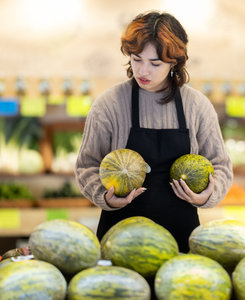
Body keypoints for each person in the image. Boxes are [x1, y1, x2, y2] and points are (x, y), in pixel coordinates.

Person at [75, 11, 233, 253]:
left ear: (175, 62)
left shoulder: (197, 105)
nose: (143, 71)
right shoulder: (109, 104)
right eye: (137, 59)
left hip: (181, 235)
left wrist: (207, 196)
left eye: (155, 63)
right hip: (120, 238)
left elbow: (220, 164)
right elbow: (87, 165)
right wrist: (105, 198)